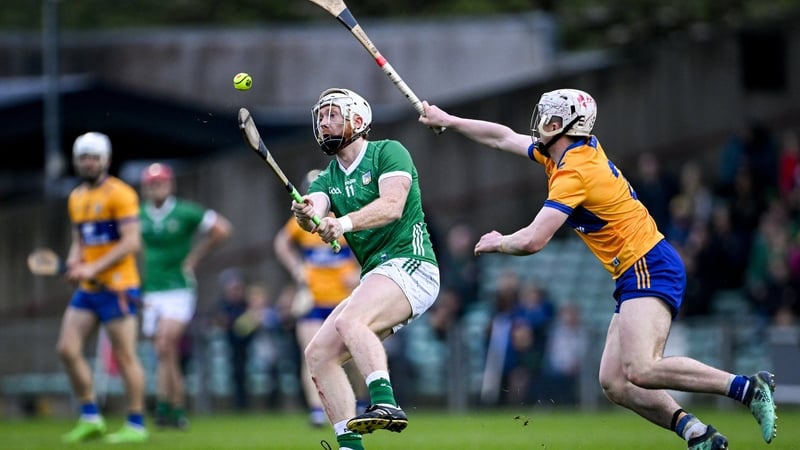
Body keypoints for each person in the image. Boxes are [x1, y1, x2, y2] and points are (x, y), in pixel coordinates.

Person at [419, 89, 777, 450]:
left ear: (568, 127)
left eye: (551, 119)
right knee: (614, 382)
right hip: (634, 269)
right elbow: (502, 137)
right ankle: (698, 433)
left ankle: (747, 388)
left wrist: (500, 241)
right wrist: (449, 121)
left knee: (642, 368)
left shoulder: (575, 171)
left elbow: (533, 240)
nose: (542, 124)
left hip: (648, 263)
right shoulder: (562, 154)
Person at [291, 88, 439, 450]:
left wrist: (341, 224)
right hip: (377, 275)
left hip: (412, 263)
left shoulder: (388, 152)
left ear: (358, 120)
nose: (324, 124)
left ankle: (385, 401)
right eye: (320, 117)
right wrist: (306, 215)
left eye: (332, 115)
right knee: (318, 354)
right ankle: (350, 446)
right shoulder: (327, 178)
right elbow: (315, 210)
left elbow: (391, 206)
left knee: (350, 320)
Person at [57, 131, 149, 443]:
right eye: (83, 157)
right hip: (89, 289)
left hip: (119, 287)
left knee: (125, 357)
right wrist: (75, 263)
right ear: (76, 161)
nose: (89, 163)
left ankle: (136, 424)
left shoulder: (121, 194)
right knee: (67, 349)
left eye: (94, 157)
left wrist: (93, 268)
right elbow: (79, 241)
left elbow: (132, 242)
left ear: (106, 160)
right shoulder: (76, 197)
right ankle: (91, 417)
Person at [139, 162, 233, 428]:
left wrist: (194, 258)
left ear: (170, 185)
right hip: (152, 291)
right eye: (151, 184)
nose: (156, 188)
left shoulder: (184, 211)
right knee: (164, 353)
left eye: (160, 183)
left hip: (179, 288)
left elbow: (222, 229)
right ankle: (175, 409)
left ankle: (164, 406)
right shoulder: (139, 215)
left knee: (164, 344)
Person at [273, 168, 366, 427]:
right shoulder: (301, 223)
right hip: (312, 300)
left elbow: (369, 246)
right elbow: (281, 243)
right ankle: (317, 410)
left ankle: (359, 402)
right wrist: (297, 269)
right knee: (312, 354)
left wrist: (359, 271)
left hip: (344, 299)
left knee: (353, 356)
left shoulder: (342, 219)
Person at [215, 268, 255, 411]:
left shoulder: (245, 304)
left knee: (246, 372)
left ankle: (245, 402)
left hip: (247, 345)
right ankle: (238, 402)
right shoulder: (224, 305)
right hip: (232, 345)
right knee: (236, 373)